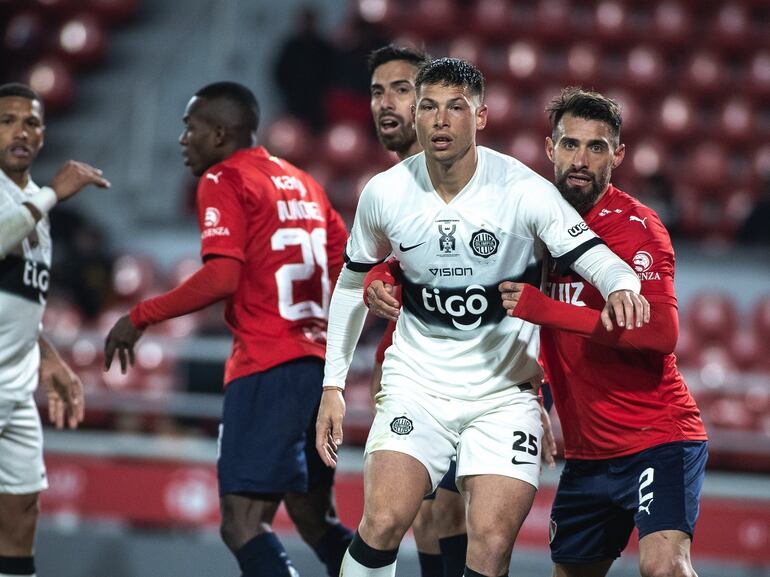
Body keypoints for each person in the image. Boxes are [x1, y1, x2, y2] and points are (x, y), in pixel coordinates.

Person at [316, 58, 648, 577]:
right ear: (415, 114)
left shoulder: (524, 191)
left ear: (482, 116)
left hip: (502, 399)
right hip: (416, 388)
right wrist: (333, 386)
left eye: (456, 108)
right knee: (382, 521)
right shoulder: (384, 192)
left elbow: (594, 256)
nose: (441, 121)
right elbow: (352, 282)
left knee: (490, 546)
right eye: (429, 107)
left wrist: (622, 283)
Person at [103, 81, 353, 577]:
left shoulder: (224, 178)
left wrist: (139, 316)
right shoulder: (305, 183)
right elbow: (348, 268)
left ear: (219, 134)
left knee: (241, 523)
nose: (182, 139)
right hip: (318, 372)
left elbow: (222, 276)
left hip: (267, 367)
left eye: (189, 127)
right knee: (313, 516)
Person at [497, 88, 708, 577]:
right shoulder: (536, 222)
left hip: (658, 437)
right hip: (588, 452)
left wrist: (546, 309)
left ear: (618, 154)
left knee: (665, 568)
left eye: (596, 147)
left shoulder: (637, 228)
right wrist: (540, 398)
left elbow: (660, 335)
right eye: (570, 145)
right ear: (550, 149)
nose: (580, 159)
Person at [367, 44, 468, 577]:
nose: (389, 104)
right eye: (379, 91)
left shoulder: (467, 178)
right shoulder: (392, 187)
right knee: (425, 517)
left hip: (475, 372)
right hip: (418, 370)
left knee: (449, 511)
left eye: (403, 90)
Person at [0, 82, 109, 577]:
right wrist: (50, 195)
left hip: (17, 386)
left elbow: (22, 298)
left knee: (22, 511)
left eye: (32, 122)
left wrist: (48, 358)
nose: (21, 131)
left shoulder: (35, 210)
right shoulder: (37, 203)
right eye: (7, 121)